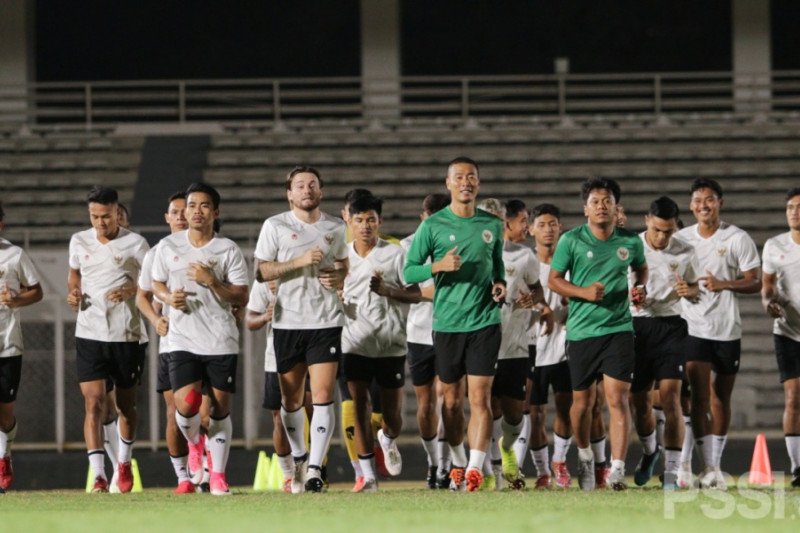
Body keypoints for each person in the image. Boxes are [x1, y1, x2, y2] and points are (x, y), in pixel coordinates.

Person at [404, 157, 506, 492]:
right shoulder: (432, 226)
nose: (466, 182)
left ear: (479, 182)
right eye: (459, 177)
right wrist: (438, 265)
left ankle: (476, 468)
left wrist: (499, 284)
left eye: (472, 177)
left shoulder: (491, 225)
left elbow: (497, 267)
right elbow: (408, 272)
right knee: (449, 399)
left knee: (481, 397)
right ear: (448, 183)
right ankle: (459, 461)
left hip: (485, 322)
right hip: (447, 324)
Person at [548, 177, 648, 491]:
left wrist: (639, 287)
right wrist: (583, 292)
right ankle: (586, 456)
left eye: (607, 201)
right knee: (583, 404)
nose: (602, 206)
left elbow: (641, 268)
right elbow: (553, 280)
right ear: (585, 209)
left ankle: (616, 470)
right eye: (595, 201)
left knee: (617, 399)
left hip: (618, 329)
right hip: (581, 332)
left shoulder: (630, 242)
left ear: (617, 207)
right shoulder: (571, 241)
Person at [151, 182, 249, 496]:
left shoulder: (228, 249)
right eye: (192, 205)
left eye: (204, 206)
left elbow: (241, 294)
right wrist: (168, 297)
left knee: (219, 410)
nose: (196, 211)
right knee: (186, 402)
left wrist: (212, 282)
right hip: (182, 339)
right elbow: (155, 283)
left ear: (215, 212)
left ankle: (218, 476)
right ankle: (195, 445)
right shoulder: (168, 247)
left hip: (220, 339)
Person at [255, 166, 348, 493]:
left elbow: (343, 266)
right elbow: (262, 271)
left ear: (320, 191)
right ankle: (299, 454)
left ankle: (313, 470)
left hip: (324, 321)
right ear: (290, 193)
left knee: (323, 398)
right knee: (290, 402)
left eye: (312, 184)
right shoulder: (275, 226)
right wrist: (299, 262)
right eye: (299, 185)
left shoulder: (336, 227)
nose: (306, 189)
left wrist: (339, 278)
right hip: (287, 322)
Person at [677, 178, 761, 490]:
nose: (703, 206)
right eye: (697, 200)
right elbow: (672, 277)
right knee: (698, 397)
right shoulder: (682, 239)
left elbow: (755, 281)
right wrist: (683, 289)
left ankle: (714, 464)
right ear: (690, 205)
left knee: (720, 398)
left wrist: (723, 283)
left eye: (709, 200)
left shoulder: (737, 238)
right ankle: (692, 465)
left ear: (720, 203)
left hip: (726, 330)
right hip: (693, 327)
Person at [68, 186, 149, 493]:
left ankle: (124, 463)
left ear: (117, 212)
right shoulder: (79, 240)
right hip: (89, 333)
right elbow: (74, 275)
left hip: (125, 336)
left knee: (126, 407)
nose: (100, 222)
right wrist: (73, 293)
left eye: (105, 216)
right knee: (94, 403)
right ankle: (99, 475)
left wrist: (130, 292)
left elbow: (151, 283)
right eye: (94, 216)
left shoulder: (136, 244)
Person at [341, 195, 420, 492]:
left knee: (392, 417)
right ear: (349, 221)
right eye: (359, 220)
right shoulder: (340, 255)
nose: (365, 226)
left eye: (371, 220)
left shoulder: (395, 254)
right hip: (354, 342)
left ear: (380, 222)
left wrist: (388, 290)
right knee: (359, 403)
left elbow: (415, 293)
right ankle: (368, 475)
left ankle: (387, 439)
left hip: (390, 343)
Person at [627, 196, 700, 490]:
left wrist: (689, 289)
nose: (662, 237)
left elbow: (695, 288)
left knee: (671, 398)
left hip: (671, 327)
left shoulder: (686, 251)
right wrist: (631, 294)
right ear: (647, 221)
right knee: (639, 402)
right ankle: (649, 452)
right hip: (636, 326)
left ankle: (671, 473)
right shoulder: (630, 247)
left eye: (668, 231)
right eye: (657, 230)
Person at [135, 192, 195, 494]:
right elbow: (143, 297)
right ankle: (183, 476)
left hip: (208, 343)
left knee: (205, 411)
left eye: (188, 210)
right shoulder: (157, 253)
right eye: (176, 211)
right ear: (167, 217)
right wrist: (155, 320)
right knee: (175, 411)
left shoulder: (211, 248)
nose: (182, 216)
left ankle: (207, 465)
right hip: (172, 344)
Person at [401, 193, 451, 489]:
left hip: (451, 330)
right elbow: (408, 287)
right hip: (419, 332)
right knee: (425, 403)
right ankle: (433, 462)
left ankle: (446, 464)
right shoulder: (409, 246)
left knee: (448, 397)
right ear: (423, 217)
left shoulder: (458, 242)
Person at [527, 203, 573, 489]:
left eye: (553, 224)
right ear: (531, 229)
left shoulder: (570, 265)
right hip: (532, 348)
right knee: (535, 413)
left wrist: (571, 306)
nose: (548, 230)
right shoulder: (525, 263)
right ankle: (542, 470)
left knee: (566, 408)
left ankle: (559, 462)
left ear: (560, 228)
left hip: (565, 348)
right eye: (541, 224)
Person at [0, 202, 44, 492]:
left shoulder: (14, 255)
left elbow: (37, 291)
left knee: (4, 411)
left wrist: (16, 300)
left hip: (7, 344)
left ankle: (4, 453)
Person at [761, 188, 800, 487]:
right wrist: (767, 302)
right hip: (788, 331)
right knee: (793, 397)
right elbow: (767, 286)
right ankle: (798, 467)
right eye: (790, 207)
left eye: (799, 207)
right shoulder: (774, 246)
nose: (794, 212)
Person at [246, 280, 295, 493]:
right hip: (275, 358)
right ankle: (288, 475)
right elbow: (249, 320)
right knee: (279, 417)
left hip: (307, 354)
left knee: (311, 410)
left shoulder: (305, 274)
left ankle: (315, 468)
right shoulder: (265, 282)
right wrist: (266, 316)